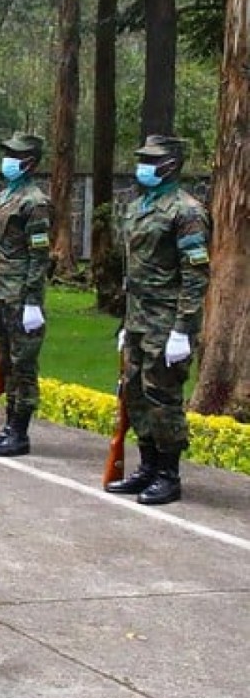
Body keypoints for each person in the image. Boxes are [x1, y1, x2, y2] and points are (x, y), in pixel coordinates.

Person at [107, 135, 210, 505]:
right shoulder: (136, 208)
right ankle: (147, 466)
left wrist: (183, 328)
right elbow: (131, 271)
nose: (143, 166)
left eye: (151, 161)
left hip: (167, 320)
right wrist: (124, 322)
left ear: (171, 165)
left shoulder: (187, 212)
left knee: (162, 395)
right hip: (137, 317)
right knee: (134, 392)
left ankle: (169, 473)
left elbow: (196, 275)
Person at [0, 132, 52, 458]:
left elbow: (39, 255)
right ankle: (7, 427)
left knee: (23, 366)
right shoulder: (7, 195)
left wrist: (33, 301)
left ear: (30, 162)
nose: (7, 159)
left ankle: (19, 432)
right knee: (5, 361)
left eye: (14, 154)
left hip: (21, 296)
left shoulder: (34, 203)